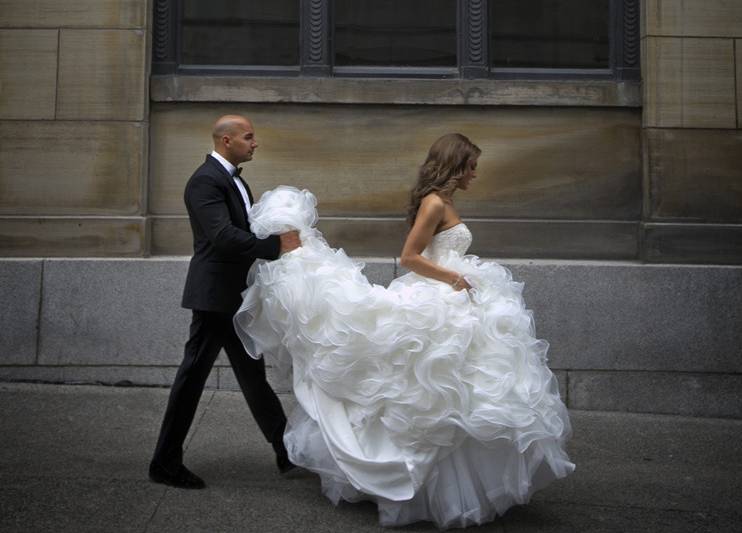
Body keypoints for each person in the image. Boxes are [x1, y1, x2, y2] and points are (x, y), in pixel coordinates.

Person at [235, 133, 574, 527]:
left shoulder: (444, 202)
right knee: (435, 390)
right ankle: (411, 480)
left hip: (453, 294)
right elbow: (410, 257)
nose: (475, 174)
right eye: (471, 166)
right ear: (455, 166)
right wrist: (452, 278)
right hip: (438, 295)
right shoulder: (434, 204)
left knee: (465, 391)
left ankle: (447, 485)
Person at [149, 115, 301, 490]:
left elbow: (241, 229)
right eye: (248, 137)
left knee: (253, 375)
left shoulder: (233, 179)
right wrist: (274, 248)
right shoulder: (205, 181)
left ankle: (286, 451)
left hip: (234, 295)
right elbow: (222, 236)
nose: (255, 143)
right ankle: (165, 463)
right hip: (214, 297)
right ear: (226, 140)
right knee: (192, 379)